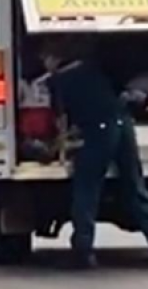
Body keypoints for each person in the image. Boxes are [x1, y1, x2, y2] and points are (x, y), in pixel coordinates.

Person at [39, 35, 148, 269]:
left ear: (54, 58)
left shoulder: (58, 81)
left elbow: (62, 121)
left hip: (99, 131)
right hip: (123, 124)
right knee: (134, 187)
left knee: (87, 188)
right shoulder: (91, 67)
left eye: (45, 58)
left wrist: (61, 145)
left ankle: (84, 249)